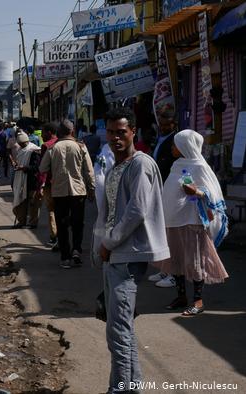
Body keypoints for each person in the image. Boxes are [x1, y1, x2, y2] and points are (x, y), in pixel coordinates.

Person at [97, 107, 170, 394]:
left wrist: (108, 242)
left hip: (127, 255)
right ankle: (130, 387)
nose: (116, 137)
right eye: (112, 132)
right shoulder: (116, 166)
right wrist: (100, 245)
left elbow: (136, 210)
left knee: (118, 332)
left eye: (122, 132)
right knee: (120, 330)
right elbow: (110, 211)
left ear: (133, 133)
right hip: (114, 254)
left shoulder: (141, 164)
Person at [155, 129, 229, 316]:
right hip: (173, 221)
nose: (172, 148)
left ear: (184, 146)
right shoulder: (177, 165)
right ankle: (181, 297)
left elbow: (212, 193)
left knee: (195, 262)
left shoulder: (200, 166)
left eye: (175, 145)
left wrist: (196, 192)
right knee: (176, 260)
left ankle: (198, 300)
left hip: (192, 221)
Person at [39, 119, 95, 269]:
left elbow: (42, 168)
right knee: (78, 223)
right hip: (79, 191)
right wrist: (91, 189)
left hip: (59, 192)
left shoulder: (53, 148)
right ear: (72, 131)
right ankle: (76, 250)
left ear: (59, 133)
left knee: (62, 225)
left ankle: (65, 257)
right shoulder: (81, 146)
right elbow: (89, 171)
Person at [149, 111, 179, 288]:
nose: (162, 127)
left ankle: (172, 273)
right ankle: (164, 268)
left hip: (168, 191)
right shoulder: (160, 139)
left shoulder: (175, 141)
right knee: (161, 233)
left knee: (169, 235)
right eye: (160, 124)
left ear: (173, 124)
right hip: (159, 189)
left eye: (166, 124)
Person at [12, 133, 42, 228]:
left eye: (22, 144)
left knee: (33, 203)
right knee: (21, 202)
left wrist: (24, 168)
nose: (21, 146)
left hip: (32, 180)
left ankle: (33, 222)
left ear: (26, 142)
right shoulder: (21, 150)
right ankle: (21, 221)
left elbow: (37, 167)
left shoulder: (34, 150)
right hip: (22, 180)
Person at [39, 122, 59, 250]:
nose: (41, 135)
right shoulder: (64, 143)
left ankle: (54, 237)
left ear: (49, 132)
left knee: (52, 210)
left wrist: (41, 185)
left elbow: (43, 169)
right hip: (64, 183)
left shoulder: (47, 146)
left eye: (43, 132)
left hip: (50, 184)